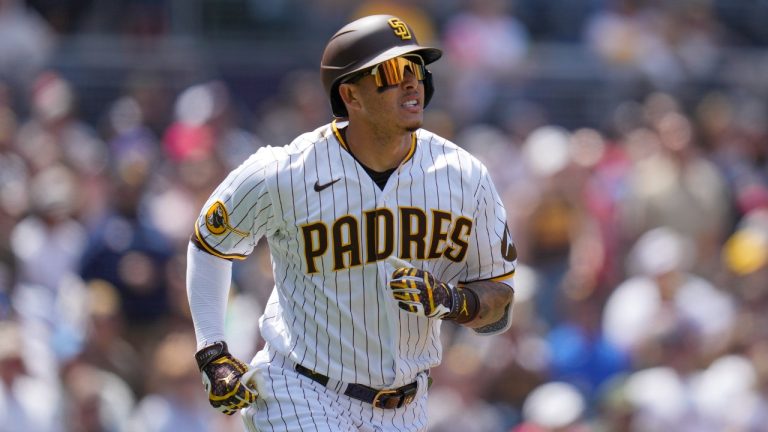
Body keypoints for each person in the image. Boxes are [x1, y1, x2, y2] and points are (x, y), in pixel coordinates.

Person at [186, 14, 517, 431]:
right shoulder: (285, 171)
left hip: (408, 406)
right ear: (351, 95)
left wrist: (453, 301)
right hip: (301, 390)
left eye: (416, 68)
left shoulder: (466, 177)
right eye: (394, 71)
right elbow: (209, 242)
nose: (412, 82)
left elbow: (500, 302)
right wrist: (212, 351)